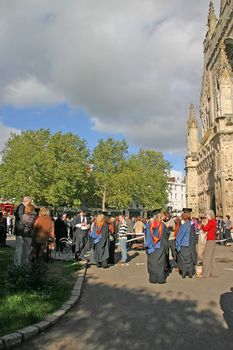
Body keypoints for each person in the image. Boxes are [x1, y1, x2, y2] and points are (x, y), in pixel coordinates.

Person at [144, 212, 169, 284]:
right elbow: (167, 234)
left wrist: (148, 246)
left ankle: (153, 279)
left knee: (152, 263)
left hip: (151, 247)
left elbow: (147, 235)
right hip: (160, 246)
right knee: (160, 263)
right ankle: (160, 279)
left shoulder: (149, 225)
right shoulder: (163, 225)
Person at [176, 208, 197, 278]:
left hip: (183, 245)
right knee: (190, 259)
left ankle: (184, 273)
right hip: (190, 245)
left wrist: (177, 246)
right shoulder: (192, 224)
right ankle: (190, 273)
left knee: (183, 259)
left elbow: (179, 237)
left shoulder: (183, 225)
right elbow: (194, 236)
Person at [196, 210, 217, 278]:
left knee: (206, 258)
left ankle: (205, 274)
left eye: (207, 215)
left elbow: (205, 229)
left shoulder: (212, 221)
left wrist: (201, 225)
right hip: (211, 240)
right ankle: (211, 272)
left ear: (210, 215)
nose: (206, 216)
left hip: (210, 240)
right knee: (211, 257)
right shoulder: (212, 221)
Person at [14, 196, 32, 265]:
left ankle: (21, 263)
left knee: (23, 248)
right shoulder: (21, 207)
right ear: (27, 201)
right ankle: (17, 264)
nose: (31, 203)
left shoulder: (22, 207)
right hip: (20, 230)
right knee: (19, 248)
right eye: (30, 201)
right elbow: (22, 218)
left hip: (22, 230)